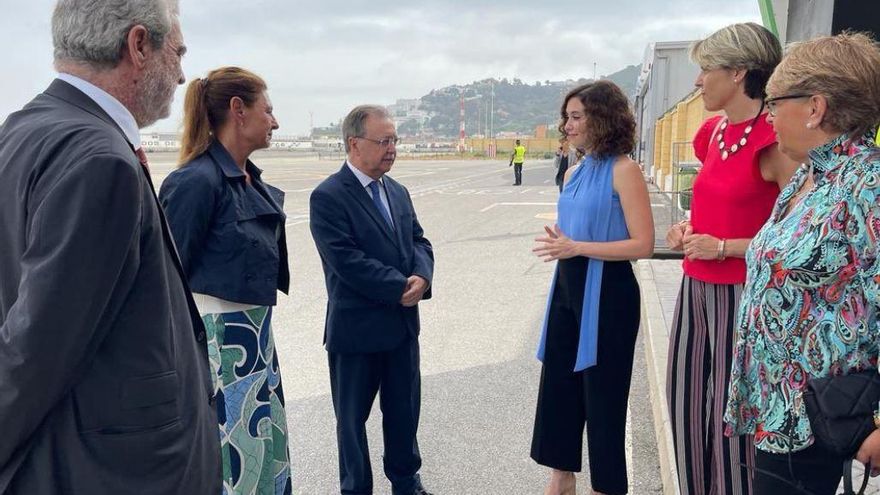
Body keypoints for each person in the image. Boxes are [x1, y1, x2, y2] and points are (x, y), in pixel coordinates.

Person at [0, 0, 221, 493]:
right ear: (139, 45)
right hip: (115, 470)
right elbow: (35, 349)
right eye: (178, 54)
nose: (183, 75)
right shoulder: (100, 159)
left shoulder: (22, 129)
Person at [724, 32, 880, 495]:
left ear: (815, 108)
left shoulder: (867, 185)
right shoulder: (811, 176)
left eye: (773, 103)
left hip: (826, 419)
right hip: (780, 411)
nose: (768, 116)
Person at [663, 22, 799, 495]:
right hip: (694, 286)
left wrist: (725, 247)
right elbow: (716, 202)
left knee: (731, 415)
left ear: (739, 71)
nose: (699, 81)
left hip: (745, 295)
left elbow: (798, 235)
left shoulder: (776, 140)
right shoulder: (710, 134)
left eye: (706, 70)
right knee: (684, 402)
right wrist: (689, 229)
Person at [158, 67, 291, 495]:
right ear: (238, 110)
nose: (274, 121)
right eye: (267, 111)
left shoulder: (248, 178)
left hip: (256, 340)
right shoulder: (194, 182)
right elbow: (166, 283)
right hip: (220, 346)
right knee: (236, 465)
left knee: (267, 457)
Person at [531, 80, 654, 495]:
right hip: (567, 285)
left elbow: (644, 244)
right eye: (566, 117)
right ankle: (560, 479)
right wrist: (564, 245)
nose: (567, 125)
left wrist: (575, 246)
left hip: (609, 291)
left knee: (603, 398)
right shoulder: (574, 169)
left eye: (577, 116)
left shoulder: (625, 170)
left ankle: (607, 487)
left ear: (602, 118)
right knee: (559, 385)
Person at [309, 105, 435, 495]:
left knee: (403, 414)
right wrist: (400, 286)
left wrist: (423, 276)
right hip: (356, 332)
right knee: (351, 422)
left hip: (400, 330)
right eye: (384, 141)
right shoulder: (329, 196)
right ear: (354, 143)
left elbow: (418, 240)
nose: (392, 148)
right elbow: (347, 261)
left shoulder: (396, 191)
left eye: (394, 140)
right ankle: (356, 488)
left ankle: (406, 483)